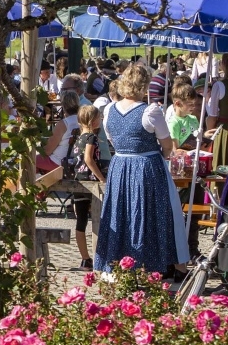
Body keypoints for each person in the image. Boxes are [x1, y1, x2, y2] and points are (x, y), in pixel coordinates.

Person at [95, 63, 189, 275]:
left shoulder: (109, 110)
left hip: (120, 166)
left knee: (121, 213)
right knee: (156, 213)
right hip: (147, 168)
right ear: (144, 85)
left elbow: (112, 139)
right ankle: (161, 264)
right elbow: (167, 145)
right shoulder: (150, 111)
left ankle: (120, 264)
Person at [71, 105, 108, 271]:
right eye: (99, 117)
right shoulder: (92, 137)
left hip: (78, 180)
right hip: (90, 181)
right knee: (98, 218)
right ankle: (99, 258)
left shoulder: (78, 137)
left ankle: (85, 258)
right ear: (93, 121)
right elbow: (88, 159)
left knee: (81, 220)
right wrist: (101, 178)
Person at [166, 83, 201, 149]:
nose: (193, 106)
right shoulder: (174, 123)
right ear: (178, 104)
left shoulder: (193, 118)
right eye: (190, 104)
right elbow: (175, 150)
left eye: (194, 103)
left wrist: (205, 136)